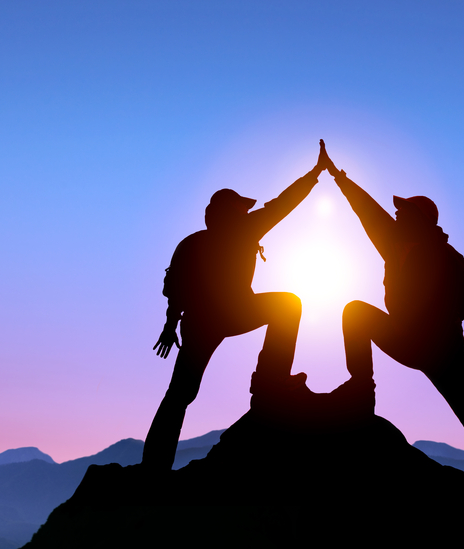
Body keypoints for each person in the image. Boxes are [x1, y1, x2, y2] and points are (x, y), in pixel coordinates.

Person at [320, 142, 464, 485]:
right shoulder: (392, 242)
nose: (397, 216)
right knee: (355, 312)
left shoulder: (448, 259)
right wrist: (337, 175)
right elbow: (366, 209)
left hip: (443, 353)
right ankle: (361, 392)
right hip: (404, 337)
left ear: (421, 221)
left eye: (404, 213)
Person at [141, 144, 329, 470]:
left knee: (179, 395)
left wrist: (171, 325)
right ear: (230, 213)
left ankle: (153, 468)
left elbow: (174, 291)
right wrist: (314, 174)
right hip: (232, 313)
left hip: (199, 323)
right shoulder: (244, 230)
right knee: (288, 304)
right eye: (240, 208)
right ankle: (271, 382)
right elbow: (283, 205)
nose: (245, 212)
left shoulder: (191, 242)